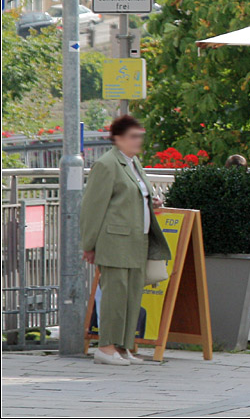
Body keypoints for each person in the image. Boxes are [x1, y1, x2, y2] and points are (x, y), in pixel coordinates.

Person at [81, 115, 169, 366]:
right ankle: (105, 347)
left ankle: (124, 346)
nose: (138, 140)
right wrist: (89, 244)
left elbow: (133, 195)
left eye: (140, 135)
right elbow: (92, 207)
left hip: (136, 238)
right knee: (115, 295)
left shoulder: (133, 163)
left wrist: (150, 203)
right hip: (115, 240)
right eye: (133, 136)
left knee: (132, 294)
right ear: (117, 138)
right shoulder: (107, 164)